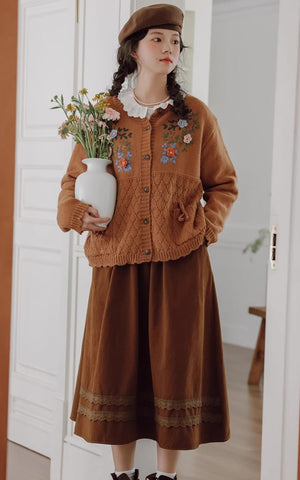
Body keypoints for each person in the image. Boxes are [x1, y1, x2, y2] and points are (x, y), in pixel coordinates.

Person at [57, 4, 238, 480]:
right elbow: (72, 180)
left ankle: (166, 476)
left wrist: (205, 228)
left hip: (181, 264)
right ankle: (122, 475)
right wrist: (78, 215)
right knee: (116, 366)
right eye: (157, 39)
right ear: (134, 50)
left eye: (175, 41)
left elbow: (223, 183)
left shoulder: (195, 116)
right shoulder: (102, 116)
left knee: (173, 367)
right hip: (115, 261)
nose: (169, 49)